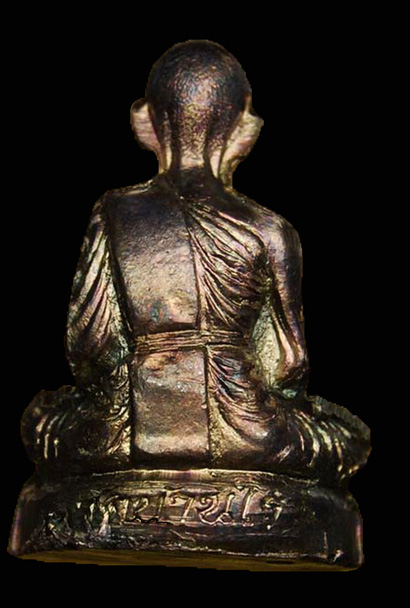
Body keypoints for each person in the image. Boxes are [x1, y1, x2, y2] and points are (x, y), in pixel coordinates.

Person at [22, 40, 369, 486]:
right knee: (347, 438)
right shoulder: (270, 230)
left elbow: (91, 346)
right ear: (244, 125)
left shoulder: (114, 213)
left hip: (126, 429)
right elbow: (288, 364)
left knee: (42, 421)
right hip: (247, 430)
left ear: (146, 121)